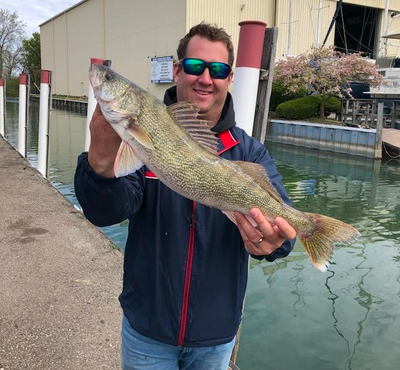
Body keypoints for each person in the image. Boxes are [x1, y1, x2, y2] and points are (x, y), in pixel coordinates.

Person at [74, 23, 296, 370]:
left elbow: (283, 237)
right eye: (195, 66)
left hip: (216, 338)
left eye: (218, 70)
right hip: (148, 330)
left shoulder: (251, 154)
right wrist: (99, 162)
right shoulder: (137, 140)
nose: (205, 78)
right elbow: (104, 212)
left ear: (229, 78)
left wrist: (274, 241)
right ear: (177, 71)